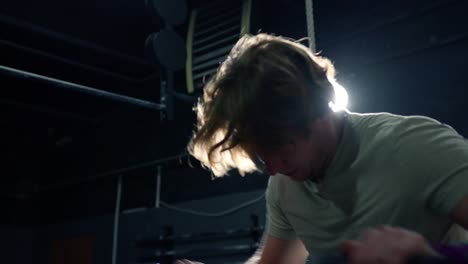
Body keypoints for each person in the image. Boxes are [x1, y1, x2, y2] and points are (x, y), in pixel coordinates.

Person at [185, 33, 468, 263]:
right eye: (261, 156)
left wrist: (434, 259)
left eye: (280, 147)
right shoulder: (284, 186)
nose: (272, 169)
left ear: (317, 108)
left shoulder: (417, 147)